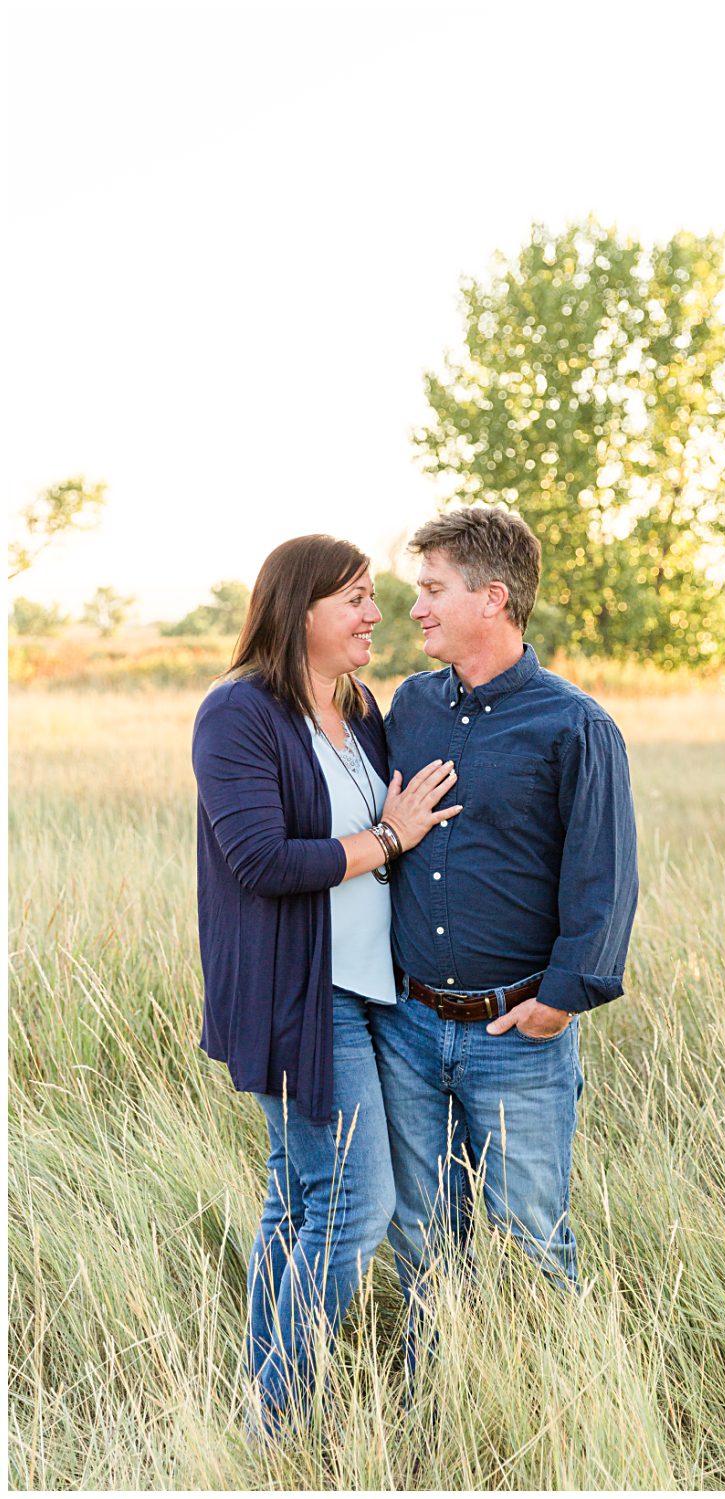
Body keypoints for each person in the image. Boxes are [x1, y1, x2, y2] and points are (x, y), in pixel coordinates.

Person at [192, 535, 460, 1434]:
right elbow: (261, 858)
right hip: (301, 994)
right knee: (354, 1206)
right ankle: (277, 1412)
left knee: (298, 1194)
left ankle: (259, 1395)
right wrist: (388, 840)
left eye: (375, 596)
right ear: (297, 608)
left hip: (369, 989)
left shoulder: (359, 706)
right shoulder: (240, 714)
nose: (376, 615)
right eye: (354, 597)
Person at [373, 507, 639, 1334]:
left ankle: (557, 1418)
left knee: (532, 1243)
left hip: (517, 1036)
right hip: (410, 1027)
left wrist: (559, 1000)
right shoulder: (409, 705)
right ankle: (431, 1415)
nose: (414, 606)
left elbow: (605, 878)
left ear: (492, 598)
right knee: (420, 1241)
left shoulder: (575, 725)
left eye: (432, 589)